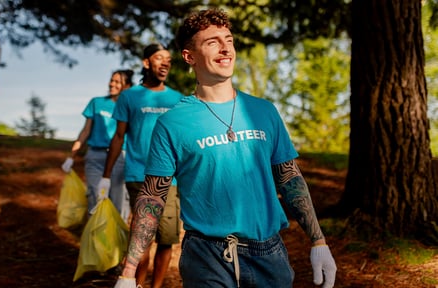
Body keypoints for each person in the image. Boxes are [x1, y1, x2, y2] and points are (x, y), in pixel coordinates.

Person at [114, 8, 337, 288]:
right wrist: (128, 271)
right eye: (212, 42)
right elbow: (153, 197)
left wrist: (318, 240)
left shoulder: (264, 111)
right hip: (206, 258)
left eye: (228, 40)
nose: (225, 48)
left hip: (269, 254)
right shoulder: (171, 123)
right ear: (189, 57)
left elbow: (289, 176)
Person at [98, 43, 184, 288]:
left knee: (166, 239)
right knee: (142, 237)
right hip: (139, 174)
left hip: (171, 179)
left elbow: (182, 140)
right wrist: (106, 176)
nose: (166, 62)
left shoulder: (177, 99)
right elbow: (118, 137)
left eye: (168, 58)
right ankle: (136, 284)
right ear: (147, 62)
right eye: (159, 58)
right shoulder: (129, 96)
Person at [61, 69, 134, 222]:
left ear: (126, 86)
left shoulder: (130, 107)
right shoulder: (97, 103)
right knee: (95, 196)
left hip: (120, 158)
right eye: (111, 80)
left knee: (118, 200)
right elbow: (86, 130)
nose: (111, 84)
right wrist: (71, 156)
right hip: (96, 157)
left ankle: (116, 241)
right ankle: (94, 240)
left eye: (117, 82)